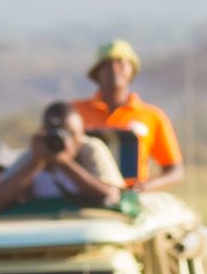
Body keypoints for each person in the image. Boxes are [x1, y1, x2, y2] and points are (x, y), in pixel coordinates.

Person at [68, 43, 185, 192]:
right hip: (83, 193)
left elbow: (175, 171)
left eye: (121, 64)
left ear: (132, 70)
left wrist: (145, 186)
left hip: (132, 195)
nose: (114, 70)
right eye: (107, 65)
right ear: (97, 73)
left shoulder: (152, 116)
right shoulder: (74, 112)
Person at [0, 102, 128, 208]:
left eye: (71, 133)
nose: (62, 139)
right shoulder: (37, 153)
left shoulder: (91, 148)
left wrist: (65, 163)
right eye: (55, 132)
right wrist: (35, 163)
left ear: (82, 132)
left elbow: (111, 195)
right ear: (44, 131)